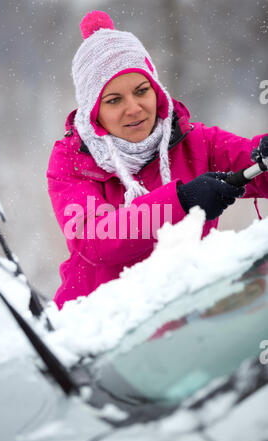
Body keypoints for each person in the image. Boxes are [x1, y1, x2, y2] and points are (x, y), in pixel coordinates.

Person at [47, 10, 268, 310]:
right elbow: (97, 239)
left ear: (157, 92)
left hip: (180, 317)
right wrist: (183, 202)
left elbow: (257, 167)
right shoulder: (71, 162)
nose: (134, 108)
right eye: (114, 100)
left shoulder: (195, 141)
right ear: (93, 111)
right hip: (96, 330)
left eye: (142, 91)